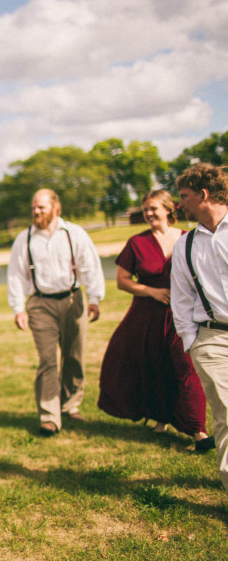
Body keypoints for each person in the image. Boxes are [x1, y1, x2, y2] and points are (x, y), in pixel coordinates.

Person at [98, 191, 212, 449]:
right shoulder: (136, 243)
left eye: (153, 209)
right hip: (146, 315)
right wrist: (152, 291)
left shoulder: (187, 238)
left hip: (181, 313)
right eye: (145, 210)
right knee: (154, 366)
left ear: (168, 208)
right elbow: (122, 281)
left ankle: (198, 430)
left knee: (186, 368)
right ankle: (161, 419)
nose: (149, 214)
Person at [7, 189, 104, 436]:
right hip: (40, 304)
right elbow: (16, 276)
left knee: (74, 356)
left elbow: (90, 266)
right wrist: (18, 308)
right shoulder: (24, 238)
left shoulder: (74, 233)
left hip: (73, 299)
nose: (36, 212)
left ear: (55, 207)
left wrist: (94, 298)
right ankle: (49, 416)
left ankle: (71, 405)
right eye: (34, 208)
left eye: (41, 207)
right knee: (48, 360)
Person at [171, 163, 228, 492]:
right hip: (211, 339)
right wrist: (191, 340)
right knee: (226, 412)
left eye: (184, 196)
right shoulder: (185, 245)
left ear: (203, 194)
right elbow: (181, 296)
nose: (180, 204)